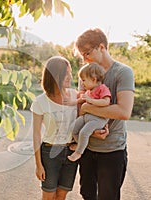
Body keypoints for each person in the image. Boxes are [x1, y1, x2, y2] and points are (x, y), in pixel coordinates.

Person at [74, 28, 135, 200]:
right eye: (82, 56)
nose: (84, 59)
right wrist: (88, 121)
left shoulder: (123, 72)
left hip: (112, 149)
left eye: (87, 53)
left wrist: (87, 108)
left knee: (108, 197)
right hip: (87, 147)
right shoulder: (85, 74)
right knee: (87, 195)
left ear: (101, 47)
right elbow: (80, 107)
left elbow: (123, 111)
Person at [31, 56, 79, 200]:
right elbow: (36, 135)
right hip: (49, 152)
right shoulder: (40, 102)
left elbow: (83, 122)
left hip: (70, 152)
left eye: (70, 73)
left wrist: (78, 143)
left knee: (61, 195)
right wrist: (38, 165)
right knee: (48, 196)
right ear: (54, 75)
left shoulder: (75, 95)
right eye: (66, 73)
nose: (69, 77)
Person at [68, 62, 111, 162]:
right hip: (87, 116)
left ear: (94, 79)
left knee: (84, 132)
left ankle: (78, 153)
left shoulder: (102, 88)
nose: (82, 83)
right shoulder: (89, 91)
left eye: (84, 80)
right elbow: (81, 101)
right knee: (73, 128)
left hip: (98, 119)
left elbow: (106, 101)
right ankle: (81, 145)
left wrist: (91, 101)